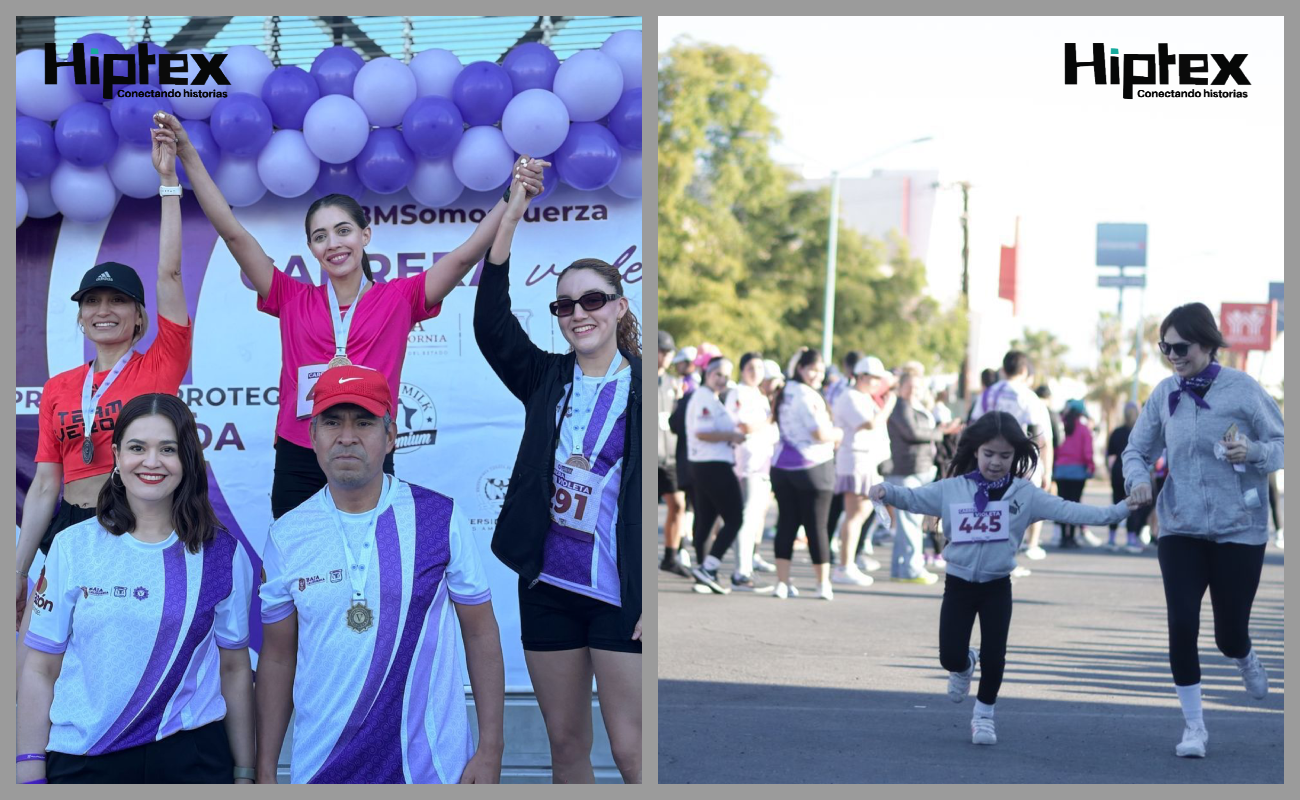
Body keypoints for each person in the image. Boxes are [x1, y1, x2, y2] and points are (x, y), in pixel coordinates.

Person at [155, 112, 545, 519]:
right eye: (320, 237)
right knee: (296, 569)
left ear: (365, 235)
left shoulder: (400, 298)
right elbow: (232, 232)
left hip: (368, 450)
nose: (333, 244)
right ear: (311, 248)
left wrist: (510, 198)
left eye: (343, 230)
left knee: (371, 567)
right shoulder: (290, 296)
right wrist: (187, 155)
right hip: (300, 452)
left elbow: (466, 255)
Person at [255, 365, 505, 783]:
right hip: (322, 771)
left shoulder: (439, 518)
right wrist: (264, 770)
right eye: (332, 422)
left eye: (365, 422)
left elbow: (480, 633)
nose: (347, 437)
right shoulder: (286, 536)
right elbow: (279, 657)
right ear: (312, 436)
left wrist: (491, 748)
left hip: (430, 770)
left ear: (390, 437)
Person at [472, 180, 641, 783]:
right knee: (567, 747)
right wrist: (509, 219)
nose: (578, 314)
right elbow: (491, 326)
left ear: (620, 307)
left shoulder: (646, 387)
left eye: (592, 300)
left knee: (630, 751)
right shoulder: (546, 378)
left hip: (622, 594)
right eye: (564, 305)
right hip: (548, 585)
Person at [17, 121, 193, 684]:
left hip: (133, 520)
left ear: (139, 315)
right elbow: (44, 484)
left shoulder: (159, 364)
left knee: (120, 661)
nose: (104, 310)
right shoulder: (60, 387)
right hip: (67, 526)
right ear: (81, 315)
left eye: (117, 300)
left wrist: (168, 183)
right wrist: (17, 571)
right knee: (37, 663)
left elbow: (168, 272)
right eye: (92, 301)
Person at [17, 394, 255, 784]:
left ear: (188, 460)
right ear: (115, 455)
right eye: (137, 448)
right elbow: (40, 668)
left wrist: (245, 772)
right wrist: (27, 769)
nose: (151, 461)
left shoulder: (222, 554)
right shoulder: (72, 546)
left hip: (191, 759)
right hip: (84, 762)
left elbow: (233, 668)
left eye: (168, 449)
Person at [871, 411, 1139, 747]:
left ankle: (984, 716)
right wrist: (886, 491)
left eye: (1005, 456)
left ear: (1016, 456)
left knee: (995, 654)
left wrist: (1121, 509)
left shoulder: (1025, 494)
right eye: (988, 454)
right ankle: (964, 664)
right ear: (975, 451)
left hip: (997, 584)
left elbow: (1072, 510)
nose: (996, 463)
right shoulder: (954, 488)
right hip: (959, 582)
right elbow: (913, 497)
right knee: (949, 656)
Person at [1122, 302, 1284, 759]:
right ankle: (1194, 727)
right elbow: (1136, 449)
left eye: (1181, 346)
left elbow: (1282, 442)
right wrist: (1137, 481)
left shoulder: (1243, 389)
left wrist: (1252, 451)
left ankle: (1244, 655)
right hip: (1179, 526)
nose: (1173, 355)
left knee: (1228, 633)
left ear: (1208, 344)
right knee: (1181, 623)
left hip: (1240, 528)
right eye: (1165, 347)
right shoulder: (1163, 394)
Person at [969, 351, 1054, 568]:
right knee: (1015, 516)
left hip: (988, 463)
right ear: (1024, 371)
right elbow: (1042, 438)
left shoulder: (988, 395)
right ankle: (1004, 562)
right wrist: (1047, 471)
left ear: (1003, 370)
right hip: (1022, 465)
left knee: (990, 512)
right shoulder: (1030, 398)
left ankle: (988, 561)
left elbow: (972, 429)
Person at [770, 348, 843, 600]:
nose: (817, 374)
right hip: (813, 466)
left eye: (821, 370)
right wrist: (838, 434)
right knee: (817, 527)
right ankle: (823, 584)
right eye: (813, 368)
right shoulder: (806, 394)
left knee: (787, 523)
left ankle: (782, 582)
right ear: (800, 368)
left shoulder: (785, 391)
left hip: (781, 467)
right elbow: (819, 433)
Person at [886, 372, 962, 584]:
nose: (914, 391)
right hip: (906, 469)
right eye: (910, 386)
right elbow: (912, 433)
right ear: (900, 387)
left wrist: (939, 430)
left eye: (918, 387)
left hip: (919, 468)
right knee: (909, 522)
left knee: (908, 523)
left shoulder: (914, 406)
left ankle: (900, 568)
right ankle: (910, 569)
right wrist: (940, 431)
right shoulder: (900, 406)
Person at [684, 357, 749, 594]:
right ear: (707, 373)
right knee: (735, 518)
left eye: (726, 375)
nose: (722, 379)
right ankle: (709, 567)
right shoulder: (703, 397)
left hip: (705, 464)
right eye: (718, 374)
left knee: (707, 520)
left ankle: (704, 573)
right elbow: (703, 433)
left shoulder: (710, 397)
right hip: (713, 464)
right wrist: (732, 436)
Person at [830, 356, 896, 587]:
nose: (877, 382)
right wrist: (887, 406)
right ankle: (844, 566)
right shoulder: (850, 397)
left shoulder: (863, 397)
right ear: (861, 376)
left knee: (862, 513)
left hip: (868, 461)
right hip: (856, 460)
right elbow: (869, 423)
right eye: (873, 377)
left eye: (879, 378)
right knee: (855, 515)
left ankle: (848, 564)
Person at [727, 352, 779, 588]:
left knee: (755, 517)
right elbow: (743, 425)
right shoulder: (739, 392)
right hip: (747, 461)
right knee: (747, 518)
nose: (756, 371)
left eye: (759, 367)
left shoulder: (759, 394)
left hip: (762, 459)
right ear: (742, 369)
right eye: (750, 367)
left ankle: (746, 567)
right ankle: (741, 571)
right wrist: (769, 419)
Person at [657, 331, 690, 577]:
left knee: (678, 505)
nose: (667, 356)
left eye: (669, 352)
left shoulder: (673, 383)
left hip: (669, 457)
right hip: (647, 455)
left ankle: (671, 556)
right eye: (663, 351)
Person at [1106, 402, 1151, 553]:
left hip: (1117, 470)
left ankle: (1111, 539)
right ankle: (1131, 539)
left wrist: (1110, 471)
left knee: (1116, 502)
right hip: (1132, 471)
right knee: (1134, 505)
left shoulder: (1117, 432)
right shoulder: (1139, 432)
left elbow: (1110, 455)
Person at [1052, 399, 1096, 549]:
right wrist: (1091, 466)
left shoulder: (1060, 426)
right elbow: (1087, 452)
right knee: (1076, 504)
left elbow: (1055, 448)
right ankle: (1072, 537)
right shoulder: (1084, 429)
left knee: (1063, 504)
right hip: (1078, 472)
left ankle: (1064, 537)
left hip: (1061, 470)